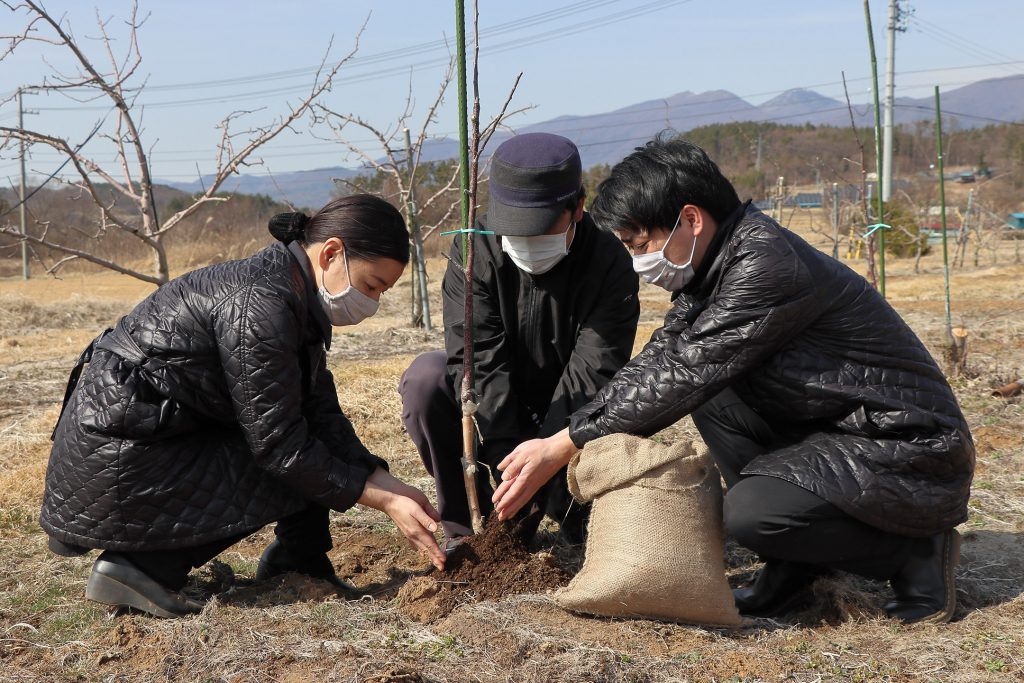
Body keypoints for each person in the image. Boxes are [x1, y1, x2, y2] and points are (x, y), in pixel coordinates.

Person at [492, 136, 975, 625]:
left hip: (907, 445)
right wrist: (566, 434)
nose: (639, 262)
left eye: (641, 244)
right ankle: (794, 568)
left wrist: (564, 443)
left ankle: (915, 552)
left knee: (752, 516)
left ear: (691, 220)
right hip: (836, 426)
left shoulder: (763, 265)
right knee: (715, 395)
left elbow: (685, 371)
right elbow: (664, 357)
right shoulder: (713, 265)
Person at [41, 194, 446, 618]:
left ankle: (300, 560)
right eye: (371, 285)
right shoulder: (262, 304)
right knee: (287, 457)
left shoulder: (291, 292)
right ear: (331, 253)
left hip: (145, 436)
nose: (372, 303)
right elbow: (279, 445)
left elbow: (317, 409)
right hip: (118, 457)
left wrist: (380, 478)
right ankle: (138, 569)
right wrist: (379, 498)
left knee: (307, 447)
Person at [399, 132, 640, 548]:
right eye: (515, 230)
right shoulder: (475, 249)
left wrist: (543, 458)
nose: (526, 244)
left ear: (578, 208)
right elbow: (478, 358)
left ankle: (572, 514)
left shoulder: (608, 263)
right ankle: (466, 532)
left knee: (596, 512)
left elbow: (594, 372)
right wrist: (509, 457)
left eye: (541, 230)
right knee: (426, 379)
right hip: (498, 408)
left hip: (566, 420)